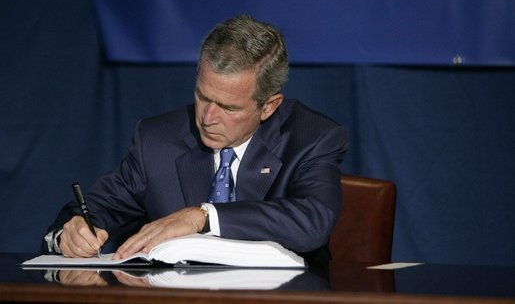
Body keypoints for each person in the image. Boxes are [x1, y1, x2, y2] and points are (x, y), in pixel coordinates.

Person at [44, 14, 349, 265]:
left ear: (268, 106)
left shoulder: (311, 137)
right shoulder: (157, 139)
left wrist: (203, 217)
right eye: (203, 97)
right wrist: (71, 233)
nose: (207, 118)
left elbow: (312, 220)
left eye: (229, 107)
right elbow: (98, 208)